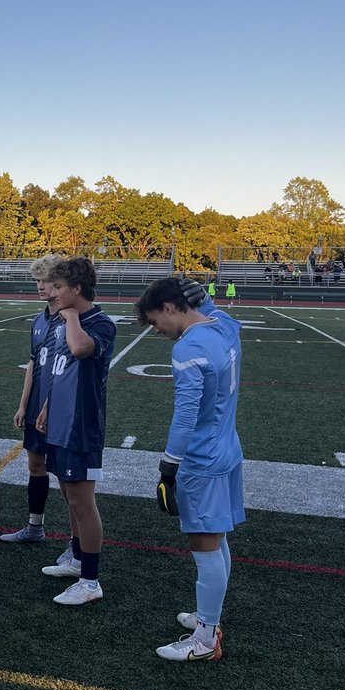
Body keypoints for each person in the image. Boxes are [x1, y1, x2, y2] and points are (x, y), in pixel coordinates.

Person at [134, 276, 244, 661]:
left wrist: (169, 465)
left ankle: (206, 639)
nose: (156, 331)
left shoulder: (188, 347)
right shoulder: (225, 326)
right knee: (219, 536)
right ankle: (207, 617)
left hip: (202, 457)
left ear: (169, 307)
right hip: (228, 446)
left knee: (204, 542)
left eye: (154, 321)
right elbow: (212, 309)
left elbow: (185, 415)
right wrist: (195, 292)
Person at [34, 257, 117, 606]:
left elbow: (82, 349)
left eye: (58, 287)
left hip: (81, 425)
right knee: (69, 496)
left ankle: (90, 580)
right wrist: (47, 406)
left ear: (77, 289)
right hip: (59, 420)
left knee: (83, 501)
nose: (51, 293)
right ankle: (78, 558)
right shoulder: (60, 322)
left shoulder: (100, 323)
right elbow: (59, 370)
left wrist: (71, 318)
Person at [3, 256, 79, 572]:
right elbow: (34, 364)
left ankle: (78, 545)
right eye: (37, 281)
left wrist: (48, 406)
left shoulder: (72, 321)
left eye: (46, 281)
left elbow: (68, 371)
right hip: (36, 407)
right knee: (35, 465)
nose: (40, 286)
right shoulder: (38, 321)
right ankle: (35, 527)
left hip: (60, 410)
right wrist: (24, 405)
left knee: (68, 480)